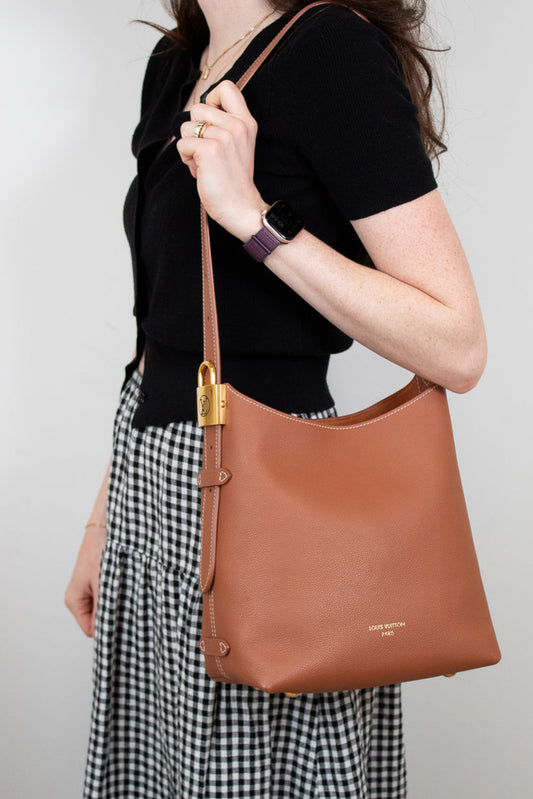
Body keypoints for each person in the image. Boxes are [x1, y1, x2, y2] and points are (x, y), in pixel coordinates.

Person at [65, 1, 487, 797]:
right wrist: (103, 520)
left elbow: (456, 346)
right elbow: (166, 332)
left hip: (261, 499)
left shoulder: (329, 50)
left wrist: (251, 218)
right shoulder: (176, 63)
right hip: (151, 491)